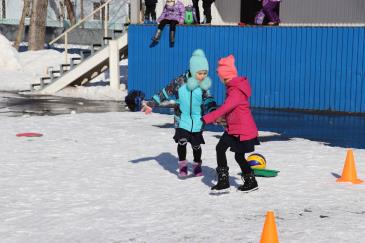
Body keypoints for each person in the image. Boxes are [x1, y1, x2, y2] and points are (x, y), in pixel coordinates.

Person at [142, 49, 217, 178]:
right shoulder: (180, 81)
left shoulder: (203, 85)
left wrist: (214, 113)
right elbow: (165, 92)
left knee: (196, 145)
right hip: (181, 119)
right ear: (193, 70)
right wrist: (151, 104)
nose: (203, 76)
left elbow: (209, 100)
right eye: (200, 73)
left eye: (205, 73)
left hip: (198, 120)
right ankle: (182, 166)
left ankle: (197, 165)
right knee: (182, 142)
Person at [202, 54, 260, 193]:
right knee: (221, 149)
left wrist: (206, 118)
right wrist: (221, 119)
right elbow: (231, 111)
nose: (219, 79)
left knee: (237, 155)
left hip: (242, 131)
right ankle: (225, 181)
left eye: (219, 76)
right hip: (234, 128)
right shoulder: (233, 87)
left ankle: (249, 181)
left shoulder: (235, 91)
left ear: (224, 76)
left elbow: (225, 107)